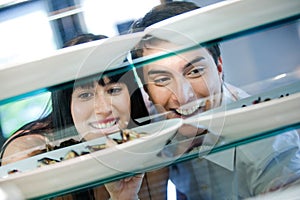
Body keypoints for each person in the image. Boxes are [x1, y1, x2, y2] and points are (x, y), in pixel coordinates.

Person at [129, 1, 300, 199]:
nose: (183, 97)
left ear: (219, 68)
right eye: (162, 80)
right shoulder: (158, 130)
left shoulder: (270, 150)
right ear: (147, 90)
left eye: (194, 71)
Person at [0, 33, 168, 200]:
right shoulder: (29, 155)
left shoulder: (149, 149)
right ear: (66, 103)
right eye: (85, 95)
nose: (103, 109)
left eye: (113, 90)